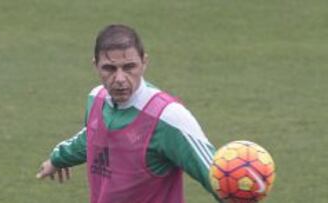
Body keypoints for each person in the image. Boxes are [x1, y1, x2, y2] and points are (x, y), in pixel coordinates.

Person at [36, 24, 221, 203]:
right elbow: (93, 137)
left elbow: (219, 177)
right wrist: (58, 159)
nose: (120, 79)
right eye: (109, 68)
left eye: (129, 67)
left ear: (144, 63)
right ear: (96, 66)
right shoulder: (97, 98)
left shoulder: (168, 118)